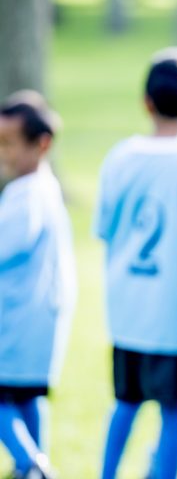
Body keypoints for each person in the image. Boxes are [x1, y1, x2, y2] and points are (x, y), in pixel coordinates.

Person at [95, 47, 177, 479]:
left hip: (127, 309)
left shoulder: (119, 158)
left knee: (125, 403)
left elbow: (106, 230)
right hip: (173, 314)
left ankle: (108, 472)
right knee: (174, 409)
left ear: (146, 102)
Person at [0, 92, 75, 479]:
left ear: (41, 144)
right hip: (40, 316)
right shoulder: (44, 188)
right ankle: (31, 463)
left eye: (9, 143)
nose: (3, 152)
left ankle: (32, 461)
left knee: (6, 396)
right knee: (28, 394)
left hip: (16, 318)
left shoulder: (25, 195)